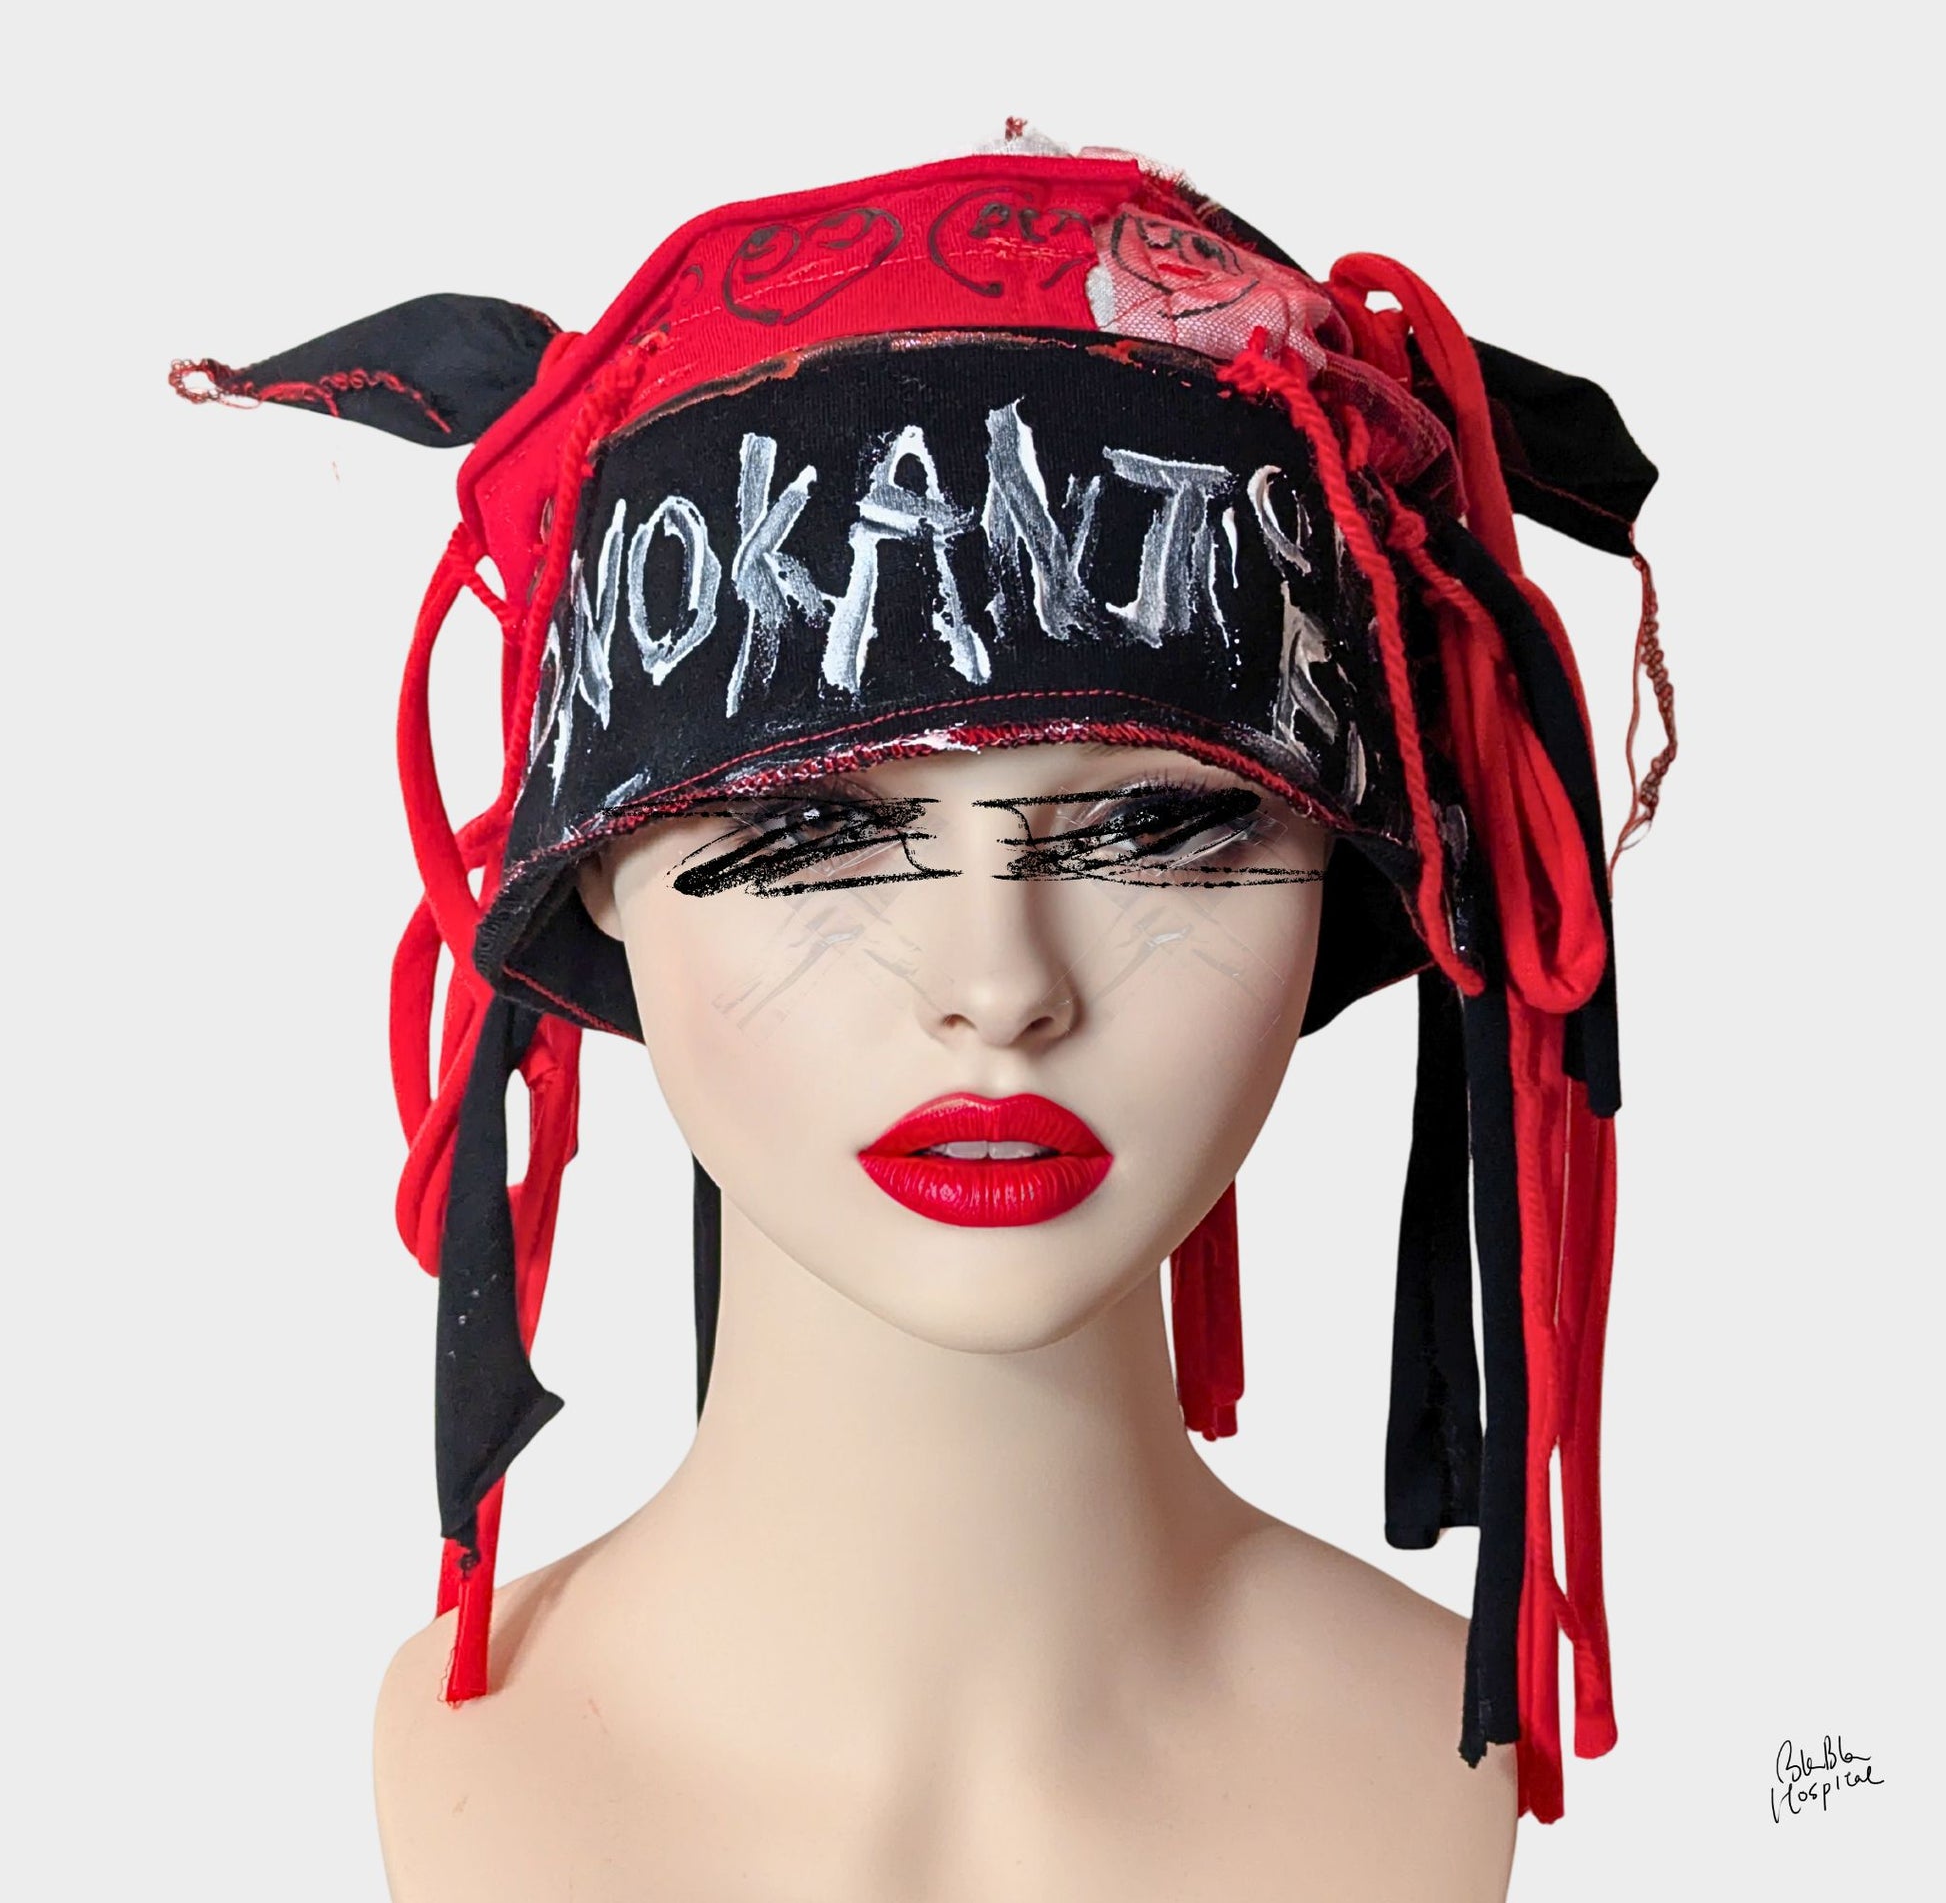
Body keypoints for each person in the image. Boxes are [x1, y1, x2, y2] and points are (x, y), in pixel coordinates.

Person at [172, 129, 1668, 1900]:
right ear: (598, 875)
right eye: (815, 834)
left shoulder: (1412, 1757)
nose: (999, 987)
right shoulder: (475, 1770)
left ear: (1341, 867)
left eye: (1158, 828)